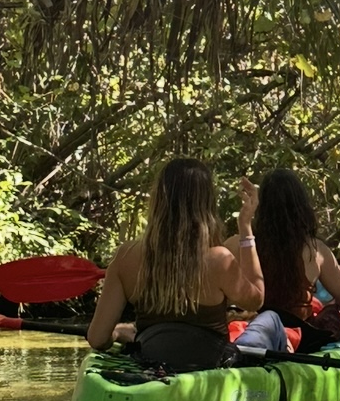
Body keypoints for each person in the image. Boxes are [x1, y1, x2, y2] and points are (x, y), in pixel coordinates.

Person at [86, 158, 263, 371]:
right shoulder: (219, 260)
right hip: (209, 370)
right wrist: (245, 229)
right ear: (206, 204)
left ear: (159, 200)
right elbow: (256, 300)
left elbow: (97, 339)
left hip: (150, 366)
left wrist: (117, 334)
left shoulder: (126, 256)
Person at [226, 168, 340, 354]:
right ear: (301, 207)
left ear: (261, 206)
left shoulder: (235, 244)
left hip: (258, 328)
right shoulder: (315, 249)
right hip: (300, 339)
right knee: (338, 310)